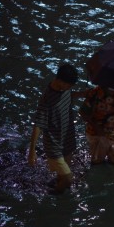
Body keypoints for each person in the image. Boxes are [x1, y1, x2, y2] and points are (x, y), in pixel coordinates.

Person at [28, 63, 79, 194]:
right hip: (53, 144)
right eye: (69, 85)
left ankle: (57, 188)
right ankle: (52, 195)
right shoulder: (47, 98)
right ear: (60, 81)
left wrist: (85, 94)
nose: (70, 88)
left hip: (67, 139)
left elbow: (69, 95)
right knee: (68, 178)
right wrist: (32, 151)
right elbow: (38, 124)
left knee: (63, 177)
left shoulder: (65, 89)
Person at [79, 86, 114, 165]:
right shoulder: (96, 92)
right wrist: (97, 127)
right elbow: (83, 113)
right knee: (97, 164)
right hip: (97, 134)